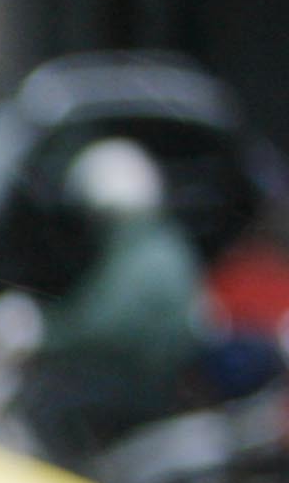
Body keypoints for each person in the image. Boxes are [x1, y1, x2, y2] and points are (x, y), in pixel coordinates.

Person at [16, 134, 210, 463]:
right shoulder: (162, 244)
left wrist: (44, 334)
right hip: (156, 378)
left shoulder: (138, 255)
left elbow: (100, 325)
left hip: (139, 383)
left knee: (45, 402)